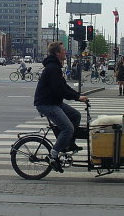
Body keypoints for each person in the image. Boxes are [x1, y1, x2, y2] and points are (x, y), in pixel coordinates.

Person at [34, 42, 88, 173]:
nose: (66, 52)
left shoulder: (56, 67)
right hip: (46, 104)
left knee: (75, 115)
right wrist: (76, 98)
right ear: (57, 53)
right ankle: (53, 155)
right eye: (63, 50)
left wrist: (78, 95)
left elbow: (64, 86)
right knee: (68, 128)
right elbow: (59, 90)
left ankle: (68, 143)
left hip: (54, 102)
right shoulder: (53, 68)